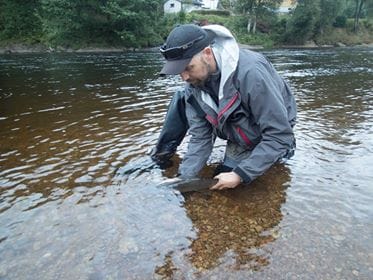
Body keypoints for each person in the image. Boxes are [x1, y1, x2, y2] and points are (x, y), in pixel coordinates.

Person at [155, 24, 297, 190]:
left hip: (273, 136)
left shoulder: (252, 74)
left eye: (188, 68)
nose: (184, 77)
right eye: (179, 71)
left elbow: (279, 134)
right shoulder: (193, 87)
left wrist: (240, 174)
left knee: (245, 184)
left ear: (207, 53)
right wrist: (184, 178)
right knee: (220, 177)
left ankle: (281, 157)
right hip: (240, 136)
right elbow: (201, 137)